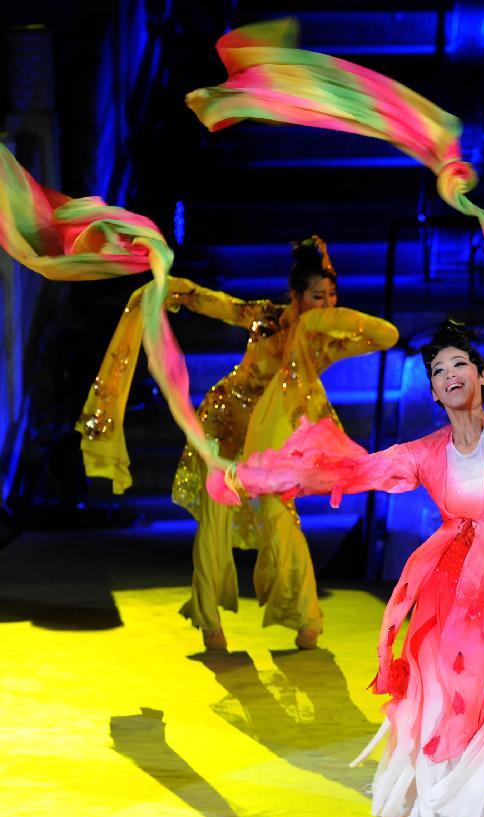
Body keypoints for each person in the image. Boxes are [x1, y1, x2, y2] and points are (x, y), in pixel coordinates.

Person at [223, 318, 484, 817]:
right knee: (430, 695)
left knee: (470, 700)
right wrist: (263, 475)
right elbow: (352, 471)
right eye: (438, 369)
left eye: (459, 364)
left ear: (483, 378)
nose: (449, 373)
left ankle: (465, 803)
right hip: (443, 589)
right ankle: (440, 809)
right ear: (432, 389)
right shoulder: (424, 453)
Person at [78, 236, 398, 652]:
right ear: (295, 296)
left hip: (270, 443)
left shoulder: (326, 339)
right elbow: (213, 303)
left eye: (332, 294)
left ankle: (306, 616)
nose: (328, 302)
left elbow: (386, 335)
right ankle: (209, 622)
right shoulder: (263, 317)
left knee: (280, 519)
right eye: (317, 296)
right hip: (225, 424)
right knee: (214, 520)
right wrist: (171, 287)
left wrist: (320, 321)